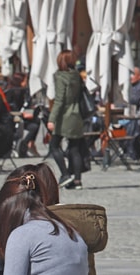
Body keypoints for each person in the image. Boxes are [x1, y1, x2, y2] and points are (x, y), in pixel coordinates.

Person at [47, 50, 87, 190]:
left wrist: (52, 119)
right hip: (77, 115)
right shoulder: (77, 76)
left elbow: (59, 100)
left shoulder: (61, 77)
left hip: (65, 115)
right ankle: (77, 181)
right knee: (75, 148)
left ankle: (65, 174)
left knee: (54, 145)